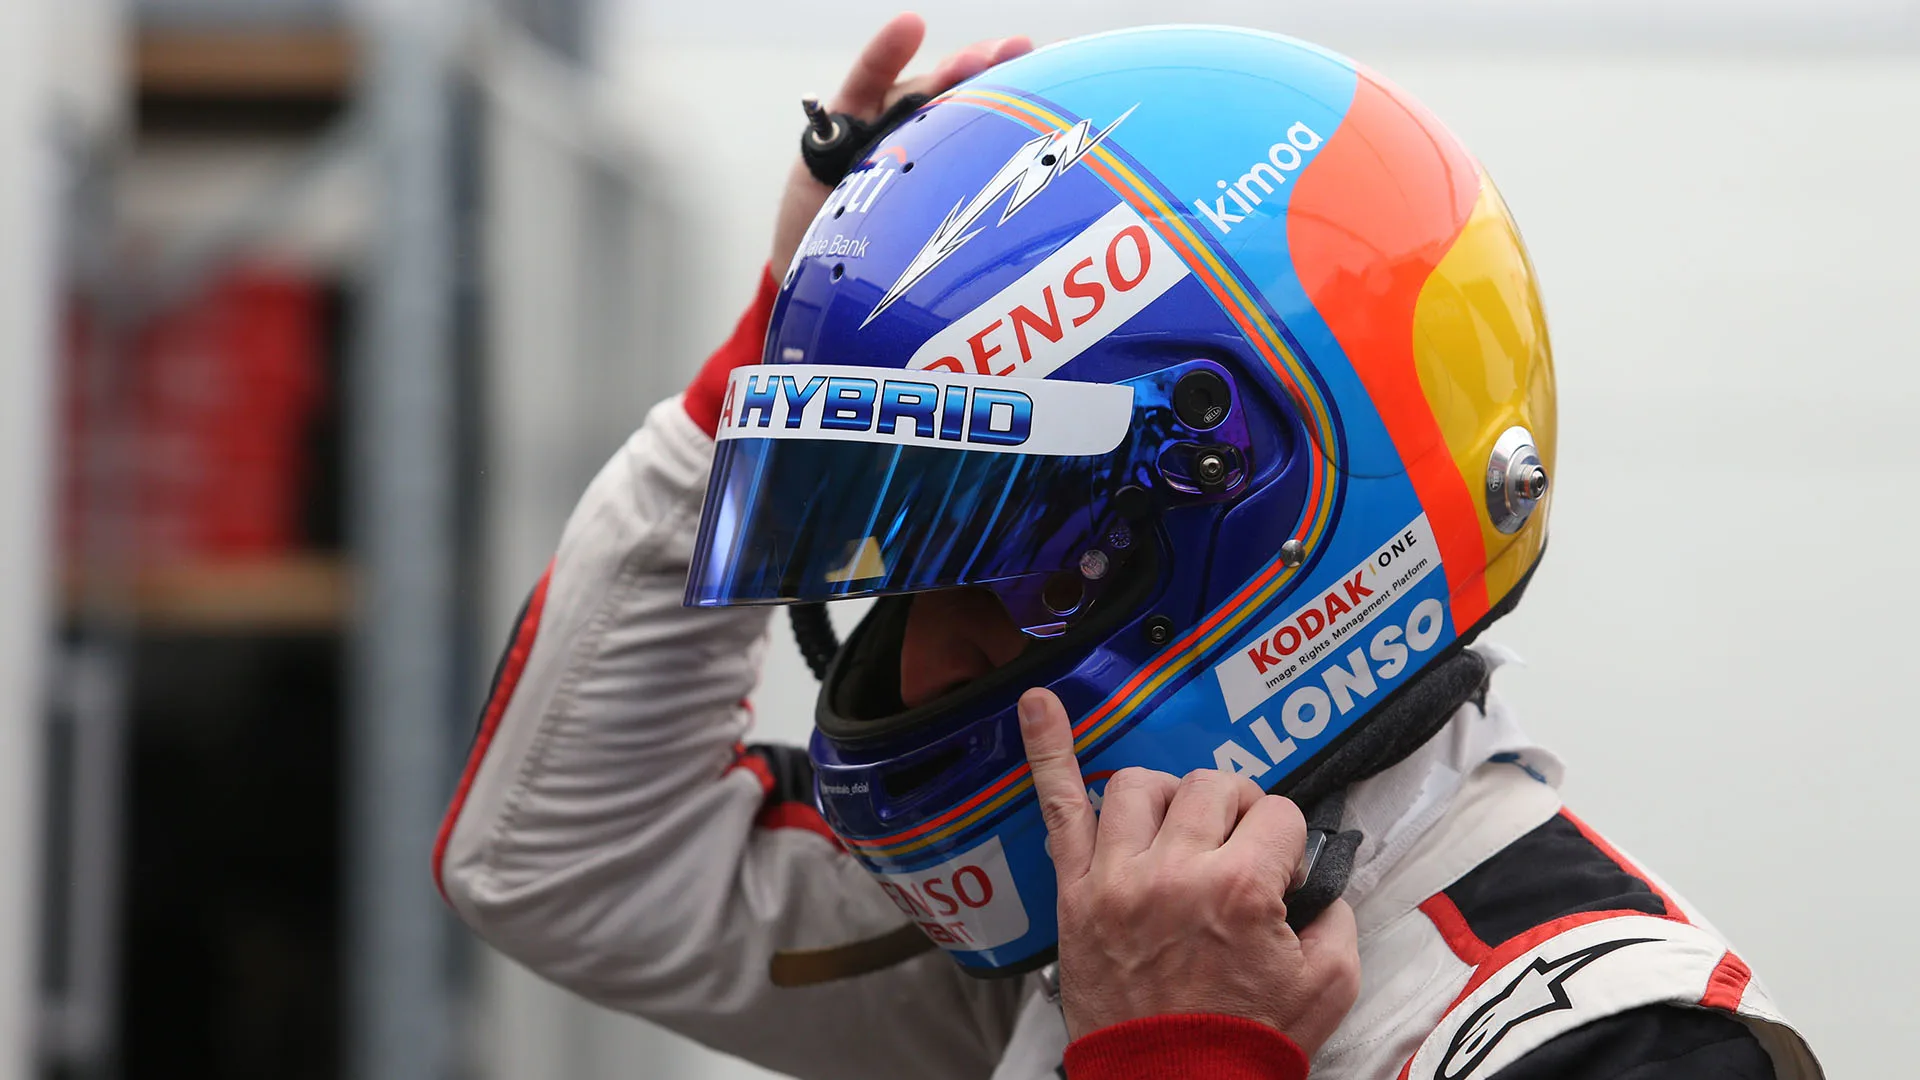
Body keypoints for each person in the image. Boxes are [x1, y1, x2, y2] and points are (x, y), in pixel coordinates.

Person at [435, 15, 1825, 1079]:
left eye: (994, 568)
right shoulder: (1065, 922)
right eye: (897, 567)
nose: (913, 662)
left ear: (1261, 527)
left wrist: (1176, 1053)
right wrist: (785, 348)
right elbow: (567, 860)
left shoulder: (1617, 1037)